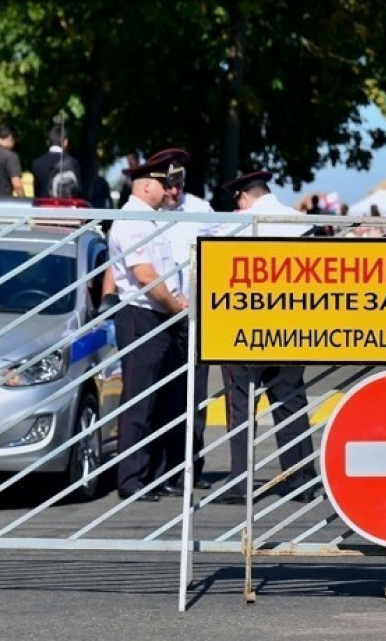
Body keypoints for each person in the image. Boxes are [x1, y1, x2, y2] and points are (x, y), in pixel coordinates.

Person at [218, 170, 318, 505]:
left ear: (242, 197)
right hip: (290, 324)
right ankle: (303, 478)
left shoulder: (234, 225)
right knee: (291, 401)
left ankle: (241, 483)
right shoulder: (300, 222)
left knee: (241, 406)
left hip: (243, 328)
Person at [107, 150, 188, 502]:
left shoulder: (150, 218)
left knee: (159, 400)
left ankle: (151, 474)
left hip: (159, 315)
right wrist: (176, 306)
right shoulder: (133, 220)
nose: (169, 188)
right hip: (143, 315)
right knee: (139, 401)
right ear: (145, 186)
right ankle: (131, 479)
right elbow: (145, 276)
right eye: (163, 182)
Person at [147, 148, 213, 493]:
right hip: (158, 316)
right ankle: (156, 471)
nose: (174, 192)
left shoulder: (200, 210)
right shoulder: (147, 214)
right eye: (168, 185)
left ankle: (188, 467)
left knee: (193, 399)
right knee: (160, 397)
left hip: (193, 317)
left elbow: (226, 250)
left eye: (179, 184)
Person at [31, 124, 82, 198]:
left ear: (47, 142)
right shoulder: (73, 163)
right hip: (66, 207)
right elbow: (78, 191)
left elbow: (37, 193)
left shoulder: (37, 163)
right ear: (65, 142)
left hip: (44, 207)